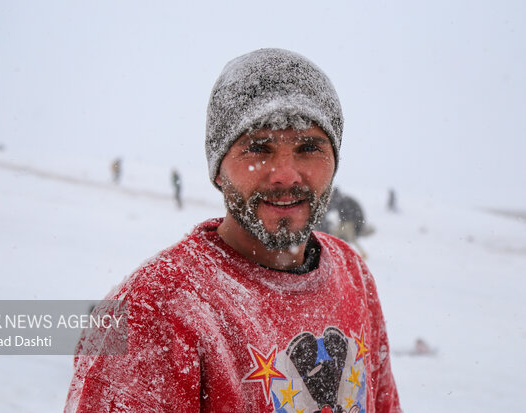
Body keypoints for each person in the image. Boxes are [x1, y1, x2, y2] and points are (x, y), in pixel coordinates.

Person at [65, 48, 401, 413]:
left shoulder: (353, 274)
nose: (286, 174)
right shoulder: (149, 311)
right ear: (218, 168)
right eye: (258, 147)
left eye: (308, 147)